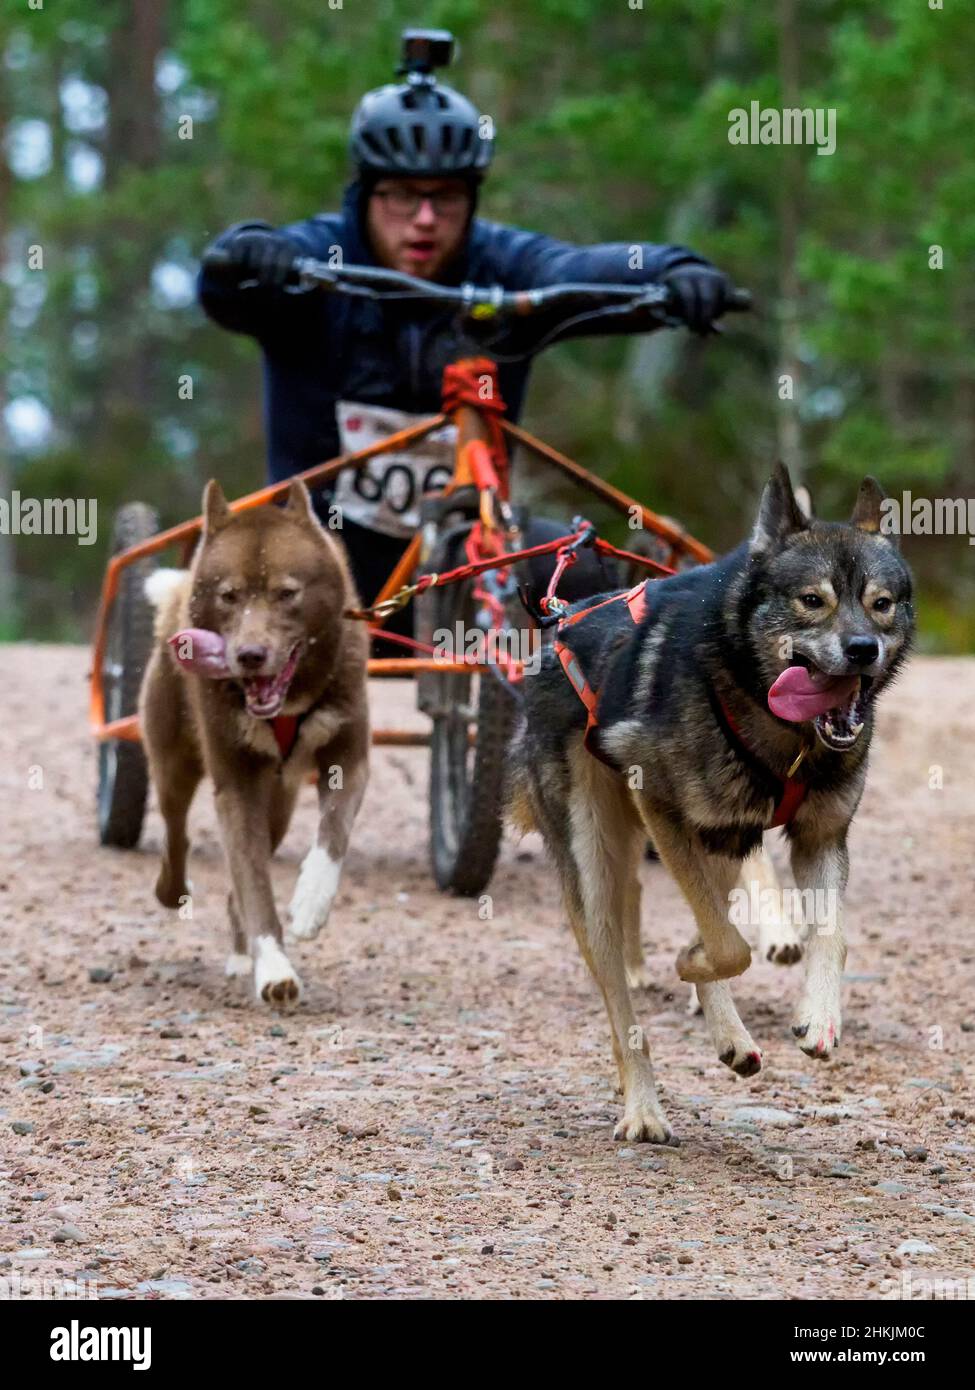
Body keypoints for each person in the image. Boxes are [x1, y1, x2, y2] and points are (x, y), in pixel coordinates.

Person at [198, 30, 735, 636]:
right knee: (230, 565)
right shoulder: (313, 263)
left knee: (581, 568)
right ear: (364, 195)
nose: (424, 219)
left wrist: (676, 273)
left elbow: (579, 271)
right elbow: (223, 290)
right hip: (311, 564)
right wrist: (246, 252)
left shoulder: (504, 268)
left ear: (473, 200)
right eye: (401, 196)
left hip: (467, 562)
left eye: (446, 198)